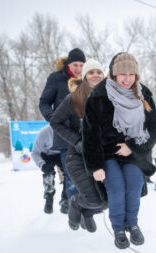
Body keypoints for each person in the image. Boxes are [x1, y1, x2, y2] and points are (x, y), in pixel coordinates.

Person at [82, 52, 156, 249]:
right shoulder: (99, 95)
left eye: (131, 74)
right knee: (116, 187)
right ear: (113, 74)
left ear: (136, 75)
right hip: (106, 153)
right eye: (122, 74)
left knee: (134, 184)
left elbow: (152, 130)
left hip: (132, 153)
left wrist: (132, 148)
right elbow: (90, 134)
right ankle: (118, 229)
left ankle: (132, 224)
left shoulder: (144, 94)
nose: (127, 79)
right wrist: (95, 166)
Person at [50, 59, 106, 232]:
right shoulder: (74, 98)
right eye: (91, 72)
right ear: (84, 76)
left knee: (107, 200)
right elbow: (55, 122)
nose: (95, 75)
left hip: (100, 157)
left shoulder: (109, 97)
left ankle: (88, 213)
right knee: (95, 199)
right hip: (78, 157)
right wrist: (76, 140)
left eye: (98, 72)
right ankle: (75, 203)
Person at [39, 48, 86, 204]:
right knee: (71, 173)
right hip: (65, 134)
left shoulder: (89, 78)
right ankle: (75, 207)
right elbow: (44, 102)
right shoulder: (56, 79)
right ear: (68, 64)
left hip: (88, 134)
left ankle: (86, 205)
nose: (78, 69)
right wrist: (52, 117)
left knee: (89, 172)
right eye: (75, 65)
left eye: (81, 65)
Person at [31, 125, 67, 214]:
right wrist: (42, 165)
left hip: (62, 153)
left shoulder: (68, 130)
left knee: (69, 173)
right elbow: (34, 153)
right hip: (46, 154)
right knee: (48, 172)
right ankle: (49, 196)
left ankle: (66, 199)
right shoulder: (44, 132)